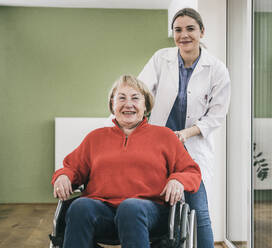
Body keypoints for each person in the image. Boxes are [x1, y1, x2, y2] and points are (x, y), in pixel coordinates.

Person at [52, 75, 201, 248]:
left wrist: (178, 180)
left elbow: (191, 171)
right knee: (80, 206)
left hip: (150, 211)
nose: (128, 104)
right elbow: (72, 168)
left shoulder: (165, 136)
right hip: (103, 211)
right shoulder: (96, 138)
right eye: (121, 98)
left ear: (145, 105)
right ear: (112, 105)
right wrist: (63, 176)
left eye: (135, 98)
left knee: (130, 208)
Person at [137, 8, 231, 248]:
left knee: (198, 210)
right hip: (158, 148)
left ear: (202, 31)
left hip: (193, 147)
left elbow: (216, 116)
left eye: (190, 28)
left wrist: (185, 134)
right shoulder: (162, 58)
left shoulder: (217, 69)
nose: (184, 35)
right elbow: (141, 92)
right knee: (161, 205)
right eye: (178, 30)